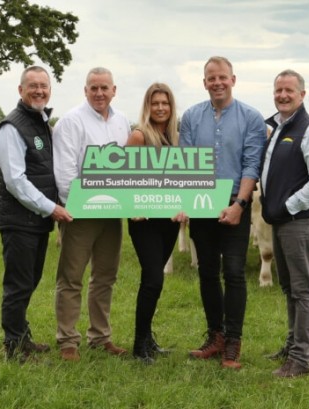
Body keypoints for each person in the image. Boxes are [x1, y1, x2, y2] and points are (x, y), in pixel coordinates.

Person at [179, 56, 266, 369]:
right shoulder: (190, 117)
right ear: (204, 83)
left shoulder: (251, 118)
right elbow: (186, 162)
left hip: (233, 204)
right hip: (201, 205)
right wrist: (186, 204)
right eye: (211, 78)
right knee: (206, 271)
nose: (217, 83)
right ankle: (214, 336)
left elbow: (251, 164)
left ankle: (233, 341)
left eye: (222, 78)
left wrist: (239, 205)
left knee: (233, 271)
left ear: (233, 79)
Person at [52, 67, 131, 362]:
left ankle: (100, 336)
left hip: (112, 212)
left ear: (114, 90)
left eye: (104, 88)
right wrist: (76, 206)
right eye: (93, 88)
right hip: (81, 213)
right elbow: (65, 171)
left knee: (105, 276)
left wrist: (128, 204)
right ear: (85, 91)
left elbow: (127, 168)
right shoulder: (71, 122)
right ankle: (67, 340)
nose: (99, 93)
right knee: (71, 277)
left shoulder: (122, 121)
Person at [0, 66, 71, 363]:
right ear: (20, 90)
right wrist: (51, 207)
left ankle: (22, 337)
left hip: (34, 220)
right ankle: (14, 347)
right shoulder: (12, 127)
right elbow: (15, 180)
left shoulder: (40, 124)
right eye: (33, 86)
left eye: (44, 86)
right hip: (21, 221)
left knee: (30, 280)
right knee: (17, 285)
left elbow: (43, 173)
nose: (39, 90)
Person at [260, 69, 309, 378]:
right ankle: (291, 347)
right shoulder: (278, 127)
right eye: (278, 90)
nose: (283, 95)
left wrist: (287, 207)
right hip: (281, 220)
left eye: (289, 90)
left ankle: (301, 360)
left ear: (302, 95)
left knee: (303, 291)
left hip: (301, 220)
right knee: (289, 287)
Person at [126, 83, 188, 364]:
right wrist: (136, 207)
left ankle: (148, 339)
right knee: (152, 278)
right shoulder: (139, 136)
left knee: (156, 279)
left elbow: (186, 178)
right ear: (147, 107)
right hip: (145, 220)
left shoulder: (177, 138)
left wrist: (185, 206)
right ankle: (139, 345)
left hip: (170, 219)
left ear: (172, 107)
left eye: (165, 103)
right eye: (155, 103)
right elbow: (125, 178)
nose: (161, 108)